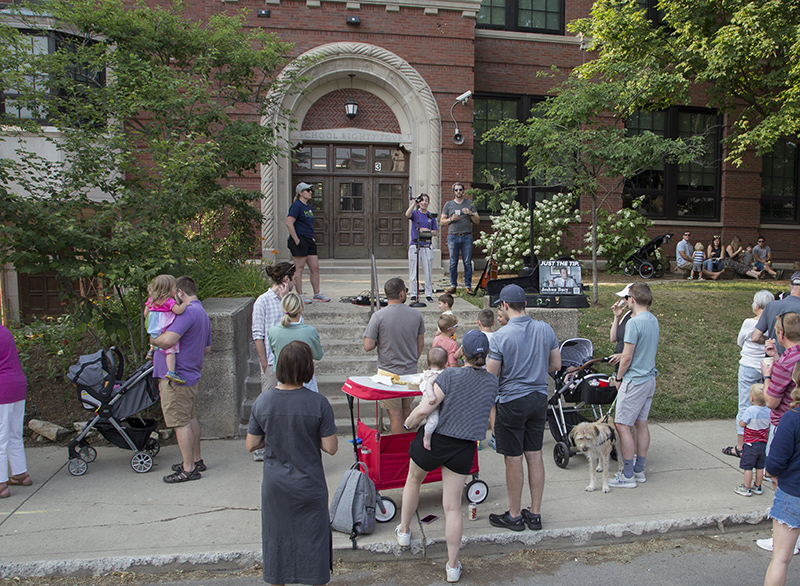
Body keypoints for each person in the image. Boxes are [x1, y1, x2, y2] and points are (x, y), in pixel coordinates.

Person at [395, 330, 498, 583]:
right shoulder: (492, 382)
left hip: (436, 440)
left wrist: (408, 424)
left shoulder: (450, 376)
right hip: (464, 446)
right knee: (452, 506)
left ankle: (405, 531)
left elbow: (426, 408)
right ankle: (452, 566)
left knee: (413, 480)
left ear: (463, 352)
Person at [246, 340, 337, 586]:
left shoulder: (263, 402)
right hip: (309, 483)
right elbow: (330, 447)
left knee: (277, 539)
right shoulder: (319, 403)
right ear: (309, 368)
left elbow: (251, 444)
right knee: (313, 538)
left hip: (275, 483)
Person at [486, 284, 560, 531]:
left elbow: (490, 375)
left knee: (513, 458)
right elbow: (555, 364)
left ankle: (515, 515)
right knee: (535, 453)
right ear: (525, 304)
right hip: (539, 399)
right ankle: (535, 514)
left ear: (504, 306)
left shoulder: (500, 337)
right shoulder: (545, 328)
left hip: (512, 402)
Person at [151, 276, 212, 484]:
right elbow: (207, 348)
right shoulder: (202, 312)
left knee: (180, 422)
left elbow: (167, 340)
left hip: (176, 378)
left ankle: (188, 469)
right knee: (190, 418)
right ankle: (195, 460)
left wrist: (152, 339)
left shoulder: (187, 312)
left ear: (179, 292)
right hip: (191, 373)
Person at [608, 282, 660, 489]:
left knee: (622, 425)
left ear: (633, 300)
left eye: (627, 297)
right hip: (649, 378)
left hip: (635, 380)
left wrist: (619, 378)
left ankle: (627, 475)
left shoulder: (634, 322)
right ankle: (639, 470)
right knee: (642, 423)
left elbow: (627, 357)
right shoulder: (653, 320)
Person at [363, 277, 425, 434]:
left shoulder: (378, 316)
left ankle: (399, 449)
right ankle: (409, 448)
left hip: (387, 374)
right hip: (410, 371)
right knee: (406, 410)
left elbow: (367, 345)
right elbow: (420, 343)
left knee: (394, 413)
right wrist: (413, 360)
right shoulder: (416, 315)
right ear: (402, 293)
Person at [723, 289, 773, 458]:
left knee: (745, 404)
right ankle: (763, 442)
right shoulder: (773, 323)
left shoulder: (748, 323)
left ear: (756, 306)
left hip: (749, 366)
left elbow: (740, 341)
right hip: (767, 366)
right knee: (766, 404)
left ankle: (741, 446)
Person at [762, 381, 800, 585]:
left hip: (793, 493)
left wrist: (772, 474)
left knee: (780, 559)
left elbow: (775, 461)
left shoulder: (792, 419)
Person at [268, 292, 324, 393]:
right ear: (300, 310)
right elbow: (318, 355)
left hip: (282, 379)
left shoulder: (272, 331)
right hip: (304, 379)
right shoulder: (310, 332)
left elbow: (274, 353)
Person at [286, 182, 330, 304]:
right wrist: (296, 239)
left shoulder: (308, 207)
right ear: (300, 192)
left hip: (309, 240)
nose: (310, 192)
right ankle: (300, 294)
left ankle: (317, 293)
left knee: (315, 268)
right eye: (308, 190)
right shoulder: (296, 206)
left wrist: (311, 237)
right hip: (299, 239)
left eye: (311, 190)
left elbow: (307, 224)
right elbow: (289, 223)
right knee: (299, 268)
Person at [0, 325, 31, 499]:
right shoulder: (4, 331)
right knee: (14, 433)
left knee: (0, 437)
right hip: (17, 385)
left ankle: (1, 484)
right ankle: (20, 474)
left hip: (2, 388)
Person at [144, 274, 189, 384]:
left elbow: (146, 314)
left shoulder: (151, 301)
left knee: (155, 337)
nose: (176, 290)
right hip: (165, 328)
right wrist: (185, 304)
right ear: (168, 290)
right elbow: (178, 311)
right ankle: (171, 371)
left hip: (153, 327)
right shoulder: (168, 301)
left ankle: (151, 350)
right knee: (171, 350)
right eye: (174, 288)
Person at [441, 182, 479, 295]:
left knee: (467, 262)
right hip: (453, 236)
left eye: (460, 189)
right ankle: (453, 285)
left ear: (463, 191)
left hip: (467, 236)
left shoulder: (469, 204)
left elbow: (477, 221)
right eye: (456, 190)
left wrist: (470, 213)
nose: (458, 192)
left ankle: (468, 286)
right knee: (453, 262)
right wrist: (451, 219)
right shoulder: (448, 205)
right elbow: (442, 221)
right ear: (453, 191)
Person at [734, 383, 770, 497]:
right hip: (763, 443)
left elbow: (743, 423)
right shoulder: (769, 411)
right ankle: (758, 486)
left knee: (748, 467)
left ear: (751, 398)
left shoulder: (750, 410)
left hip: (750, 444)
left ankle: (746, 487)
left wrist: (741, 422)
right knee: (760, 467)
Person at [752, 272, 800, 355]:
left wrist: (772, 340)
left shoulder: (771, 305)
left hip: (773, 360)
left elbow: (755, 337)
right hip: (795, 362)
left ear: (789, 286)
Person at [405, 193, 438, 302]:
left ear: (428, 202)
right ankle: (414, 293)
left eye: (426, 200)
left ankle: (428, 294)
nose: (424, 202)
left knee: (428, 271)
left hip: (427, 245)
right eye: (422, 200)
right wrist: (414, 203)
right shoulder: (415, 213)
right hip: (415, 245)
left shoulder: (430, 216)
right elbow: (407, 214)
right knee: (413, 271)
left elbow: (435, 232)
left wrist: (427, 231)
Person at [420, 346, 448, 451]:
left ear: (427, 363)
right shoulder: (435, 375)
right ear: (446, 364)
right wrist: (431, 396)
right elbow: (429, 384)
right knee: (433, 421)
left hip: (435, 402)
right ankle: (426, 438)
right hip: (432, 402)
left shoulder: (437, 373)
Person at [609, 283, 634, 376]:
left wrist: (623, 356)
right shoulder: (627, 314)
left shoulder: (639, 320)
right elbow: (613, 338)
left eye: (626, 298)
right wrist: (617, 316)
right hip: (619, 367)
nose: (624, 300)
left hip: (631, 369)